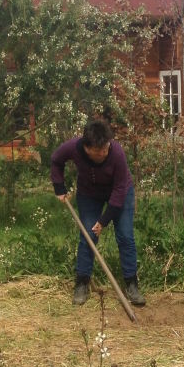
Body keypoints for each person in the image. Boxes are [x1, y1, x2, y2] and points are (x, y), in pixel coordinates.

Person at [51, 119, 145, 307]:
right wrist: (59, 187)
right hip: (89, 194)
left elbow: (119, 192)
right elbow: (56, 160)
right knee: (88, 235)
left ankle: (132, 284)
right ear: (87, 148)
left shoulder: (116, 153)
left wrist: (102, 221)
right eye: (99, 150)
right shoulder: (74, 147)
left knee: (126, 236)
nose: (104, 152)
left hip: (120, 193)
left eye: (106, 147)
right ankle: (82, 283)